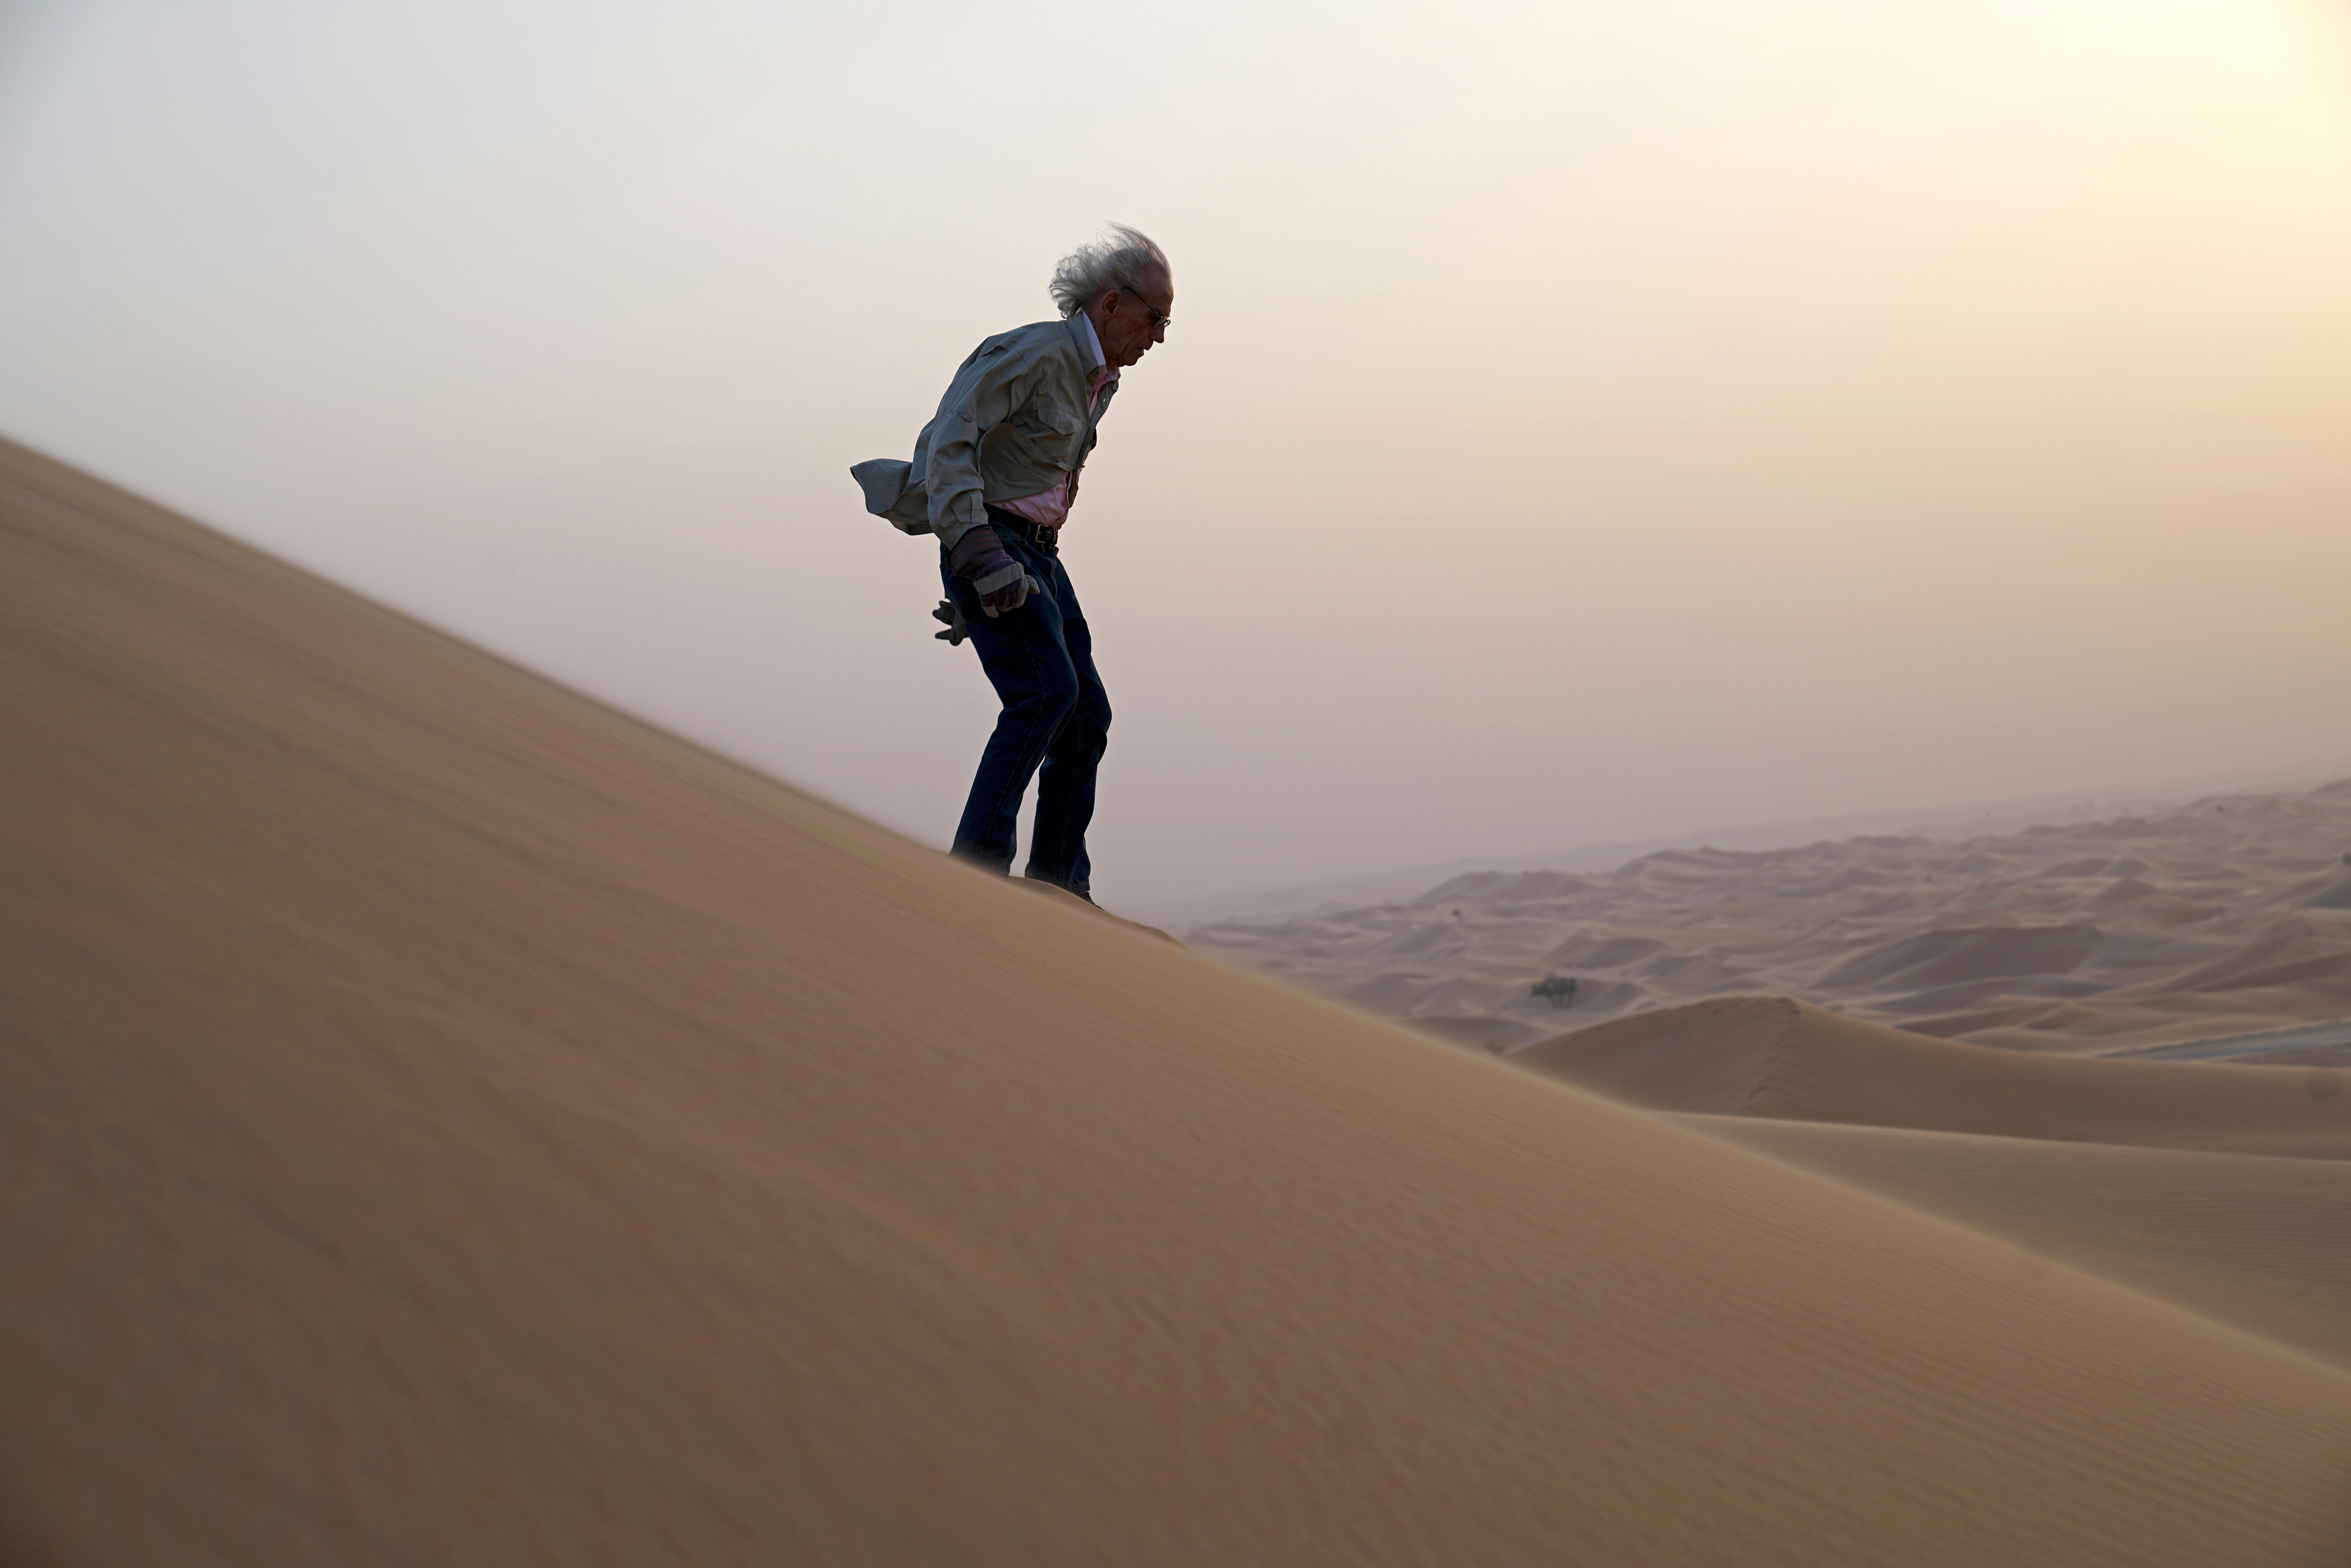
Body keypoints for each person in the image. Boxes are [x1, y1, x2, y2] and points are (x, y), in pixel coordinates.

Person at [851, 226, 1173, 902]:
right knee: (1044, 694)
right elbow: (950, 438)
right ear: (1112, 304)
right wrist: (972, 551)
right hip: (998, 543)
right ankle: (977, 873)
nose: (1161, 337)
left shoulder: (1096, 379)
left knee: (1084, 717)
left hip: (1038, 556)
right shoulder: (1033, 353)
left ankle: (1059, 886)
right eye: (1156, 318)